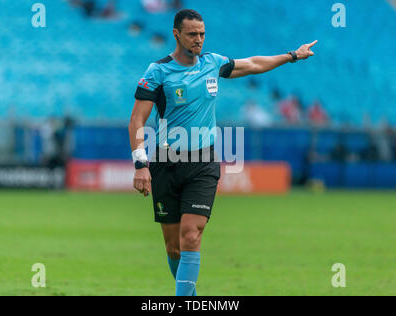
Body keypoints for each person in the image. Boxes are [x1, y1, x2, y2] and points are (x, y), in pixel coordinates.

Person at [128, 9, 317, 296]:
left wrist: (292, 55)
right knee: (173, 247)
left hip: (203, 162)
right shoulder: (158, 72)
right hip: (166, 163)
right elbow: (137, 121)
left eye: (202, 34)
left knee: (191, 235)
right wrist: (140, 165)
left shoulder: (212, 64)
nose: (199, 40)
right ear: (176, 34)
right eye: (192, 34)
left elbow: (253, 64)